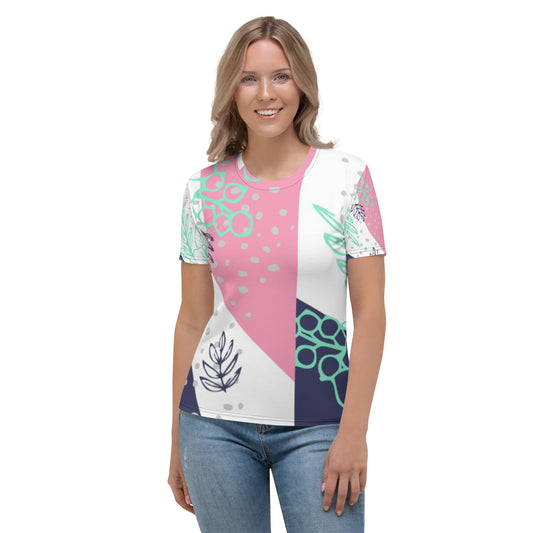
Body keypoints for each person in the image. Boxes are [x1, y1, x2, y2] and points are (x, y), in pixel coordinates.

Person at [168, 15, 387, 533]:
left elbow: (371, 313)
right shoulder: (203, 191)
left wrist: (354, 431)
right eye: (249, 78)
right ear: (232, 91)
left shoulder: (348, 178)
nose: (266, 93)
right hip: (213, 427)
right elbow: (192, 318)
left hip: (320, 426)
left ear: (302, 84)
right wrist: (176, 440)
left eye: (280, 76)